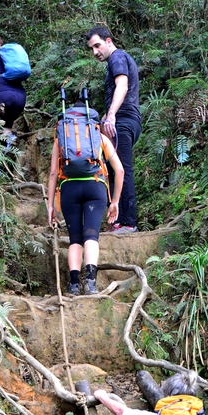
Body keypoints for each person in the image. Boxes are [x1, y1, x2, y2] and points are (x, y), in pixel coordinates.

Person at [48, 102, 124, 295]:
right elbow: (120, 170)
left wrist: (50, 206)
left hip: (69, 188)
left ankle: (74, 284)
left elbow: (53, 174)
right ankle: (90, 282)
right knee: (91, 235)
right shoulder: (99, 137)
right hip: (95, 187)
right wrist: (114, 201)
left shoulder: (62, 138)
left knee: (75, 239)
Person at [86, 25, 141, 233]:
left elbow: (123, 86)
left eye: (98, 45)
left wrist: (111, 116)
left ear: (109, 41)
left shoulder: (117, 57)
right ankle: (120, 220)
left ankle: (128, 222)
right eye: (92, 48)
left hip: (124, 120)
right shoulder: (120, 59)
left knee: (121, 169)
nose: (95, 52)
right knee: (113, 168)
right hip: (125, 119)